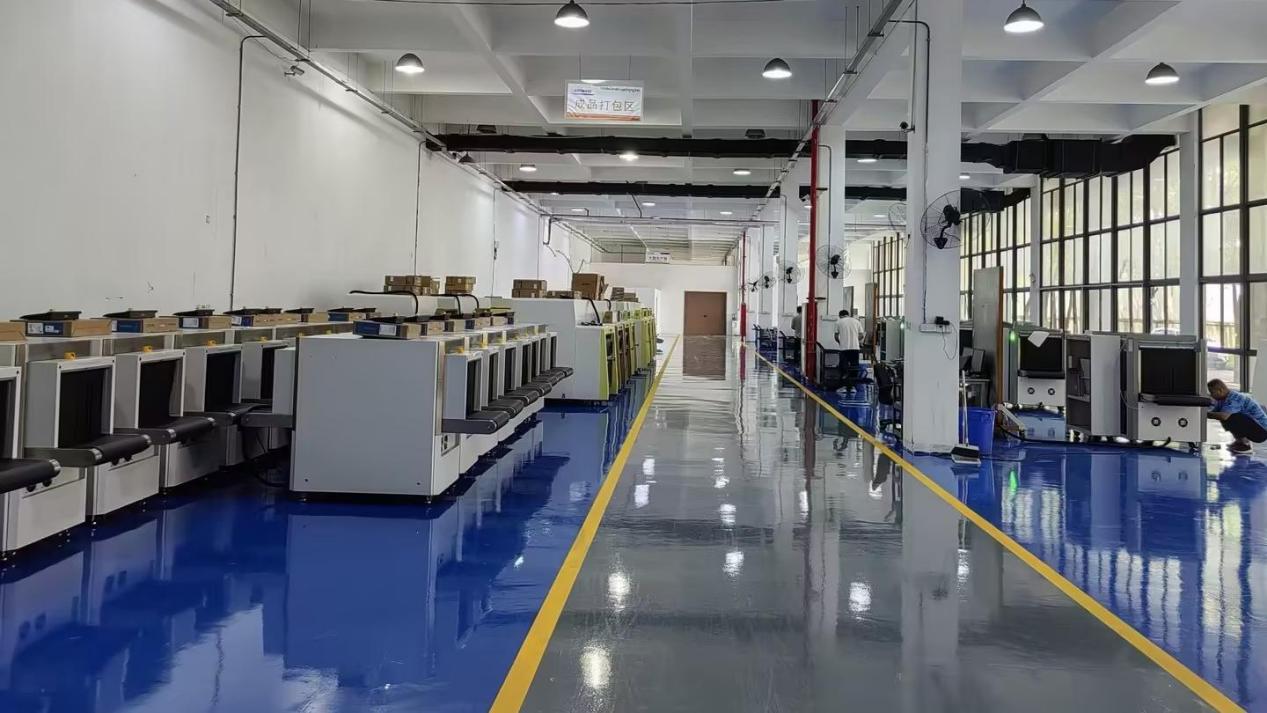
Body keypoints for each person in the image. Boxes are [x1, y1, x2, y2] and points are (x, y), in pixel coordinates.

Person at [1208, 379, 1267, 454]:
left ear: (1220, 390)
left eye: (1212, 392)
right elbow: (1214, 412)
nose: (1211, 395)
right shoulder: (1221, 400)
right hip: (1255, 428)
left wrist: (1205, 414)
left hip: (1261, 432)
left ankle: (1245, 444)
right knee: (1224, 415)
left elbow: (1224, 416)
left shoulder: (1234, 398)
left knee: (1232, 417)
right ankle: (1239, 441)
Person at [834, 309, 864, 394]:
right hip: (855, 348)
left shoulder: (839, 322)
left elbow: (836, 336)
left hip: (844, 349)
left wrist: (841, 342)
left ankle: (844, 387)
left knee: (843, 367)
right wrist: (855, 340)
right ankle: (853, 387)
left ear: (840, 315)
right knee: (854, 367)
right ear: (848, 314)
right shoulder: (856, 321)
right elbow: (861, 335)